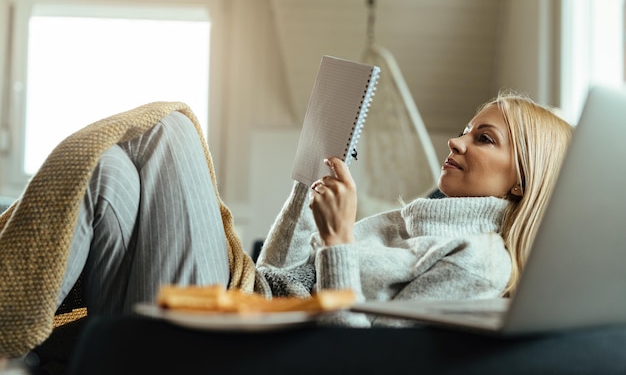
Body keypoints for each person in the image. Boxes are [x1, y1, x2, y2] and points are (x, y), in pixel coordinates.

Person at [26, 90, 574, 328]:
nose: (456, 143)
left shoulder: (480, 261)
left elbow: (364, 360)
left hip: (246, 330)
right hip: (255, 300)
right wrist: (301, 192)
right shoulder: (410, 223)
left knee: (170, 130)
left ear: (523, 179)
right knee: (113, 175)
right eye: (462, 131)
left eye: (482, 138)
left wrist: (337, 244)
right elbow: (278, 277)